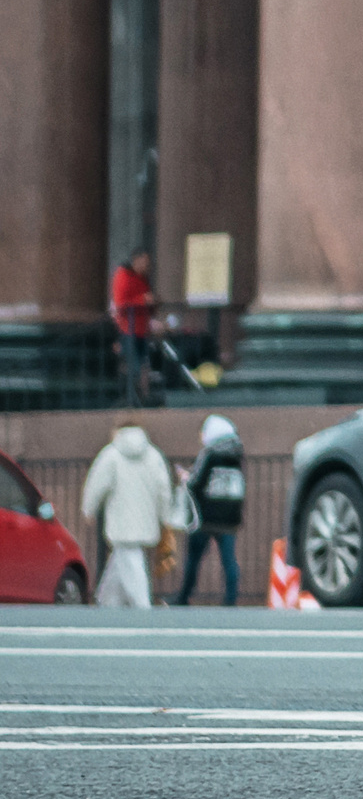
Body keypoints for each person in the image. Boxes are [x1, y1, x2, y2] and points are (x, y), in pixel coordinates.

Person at [81, 423, 177, 608]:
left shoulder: (111, 455)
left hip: (120, 520)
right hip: (146, 520)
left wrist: (89, 509)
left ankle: (142, 608)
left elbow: (96, 485)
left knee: (130, 561)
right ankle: (108, 604)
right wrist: (165, 515)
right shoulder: (154, 455)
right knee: (123, 559)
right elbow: (163, 489)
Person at [176, 416, 247, 606]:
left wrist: (185, 477)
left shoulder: (209, 454)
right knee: (229, 560)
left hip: (206, 516)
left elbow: (196, 483)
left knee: (194, 558)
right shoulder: (237, 455)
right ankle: (231, 599)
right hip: (230, 516)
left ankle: (184, 595)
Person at [110, 250, 158, 405]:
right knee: (133, 365)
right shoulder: (123, 276)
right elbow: (121, 303)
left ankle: (143, 397)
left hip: (142, 329)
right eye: (144, 262)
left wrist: (152, 304)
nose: (146, 266)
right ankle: (130, 397)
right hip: (127, 329)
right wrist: (143, 300)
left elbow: (147, 301)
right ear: (135, 261)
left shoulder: (143, 278)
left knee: (144, 365)